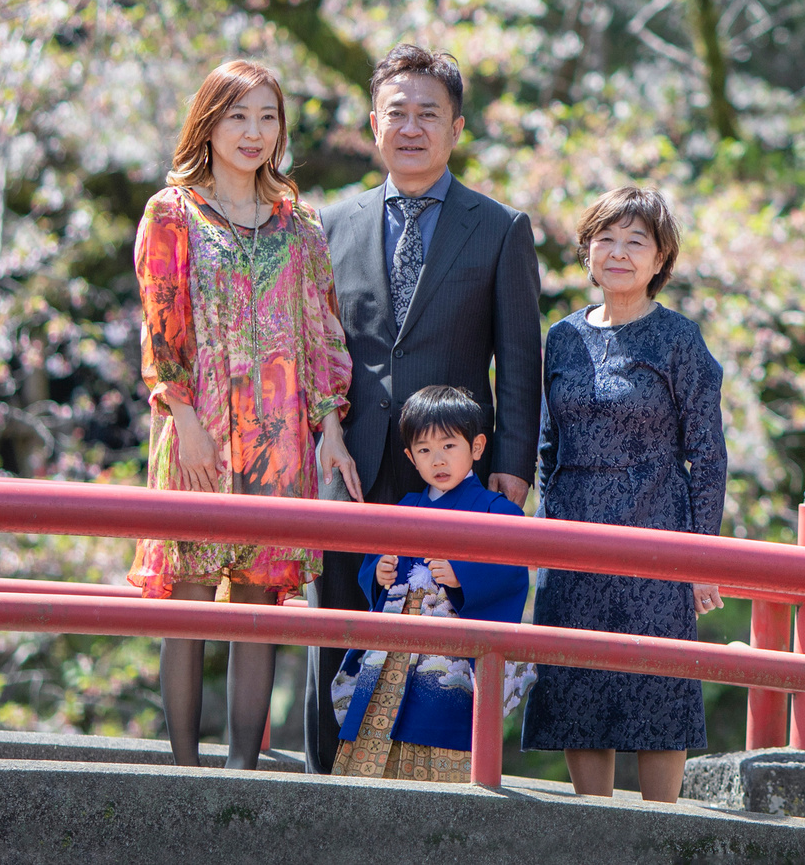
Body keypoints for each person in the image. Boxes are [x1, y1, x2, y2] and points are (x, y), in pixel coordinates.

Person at [306, 44, 545, 774]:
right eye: (397, 113)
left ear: (457, 127)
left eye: (428, 114)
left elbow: (521, 355)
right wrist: (327, 433)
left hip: (450, 472)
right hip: (351, 462)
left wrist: (509, 465)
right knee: (341, 622)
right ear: (373, 123)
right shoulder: (329, 223)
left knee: (445, 635)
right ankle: (325, 781)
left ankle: (433, 796)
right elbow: (317, 345)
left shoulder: (499, 226)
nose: (411, 128)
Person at [132, 58, 357, 770]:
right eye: (238, 116)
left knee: (259, 600)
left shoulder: (301, 226)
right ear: (209, 121)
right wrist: (184, 417)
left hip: (281, 439)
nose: (254, 132)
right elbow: (161, 324)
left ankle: (242, 771)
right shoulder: (172, 212)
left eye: (268, 117)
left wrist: (333, 430)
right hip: (198, 428)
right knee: (191, 594)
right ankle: (182, 767)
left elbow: (322, 335)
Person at [521, 186, 727, 802]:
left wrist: (703, 557)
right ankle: (594, 827)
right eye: (605, 238)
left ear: (660, 259)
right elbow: (546, 446)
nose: (618, 252)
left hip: (657, 533)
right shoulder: (561, 338)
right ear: (586, 251)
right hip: (574, 536)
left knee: (657, 687)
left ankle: (662, 832)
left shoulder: (678, 339)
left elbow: (709, 454)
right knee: (580, 685)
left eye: (636, 241)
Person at [330, 385, 532, 782]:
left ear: (476, 447)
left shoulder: (497, 511)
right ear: (410, 458)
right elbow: (373, 566)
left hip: (448, 652)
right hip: (396, 644)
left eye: (448, 446)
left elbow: (510, 573)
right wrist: (379, 573)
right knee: (375, 724)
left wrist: (464, 576)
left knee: (440, 722)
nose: (437, 460)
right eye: (424, 450)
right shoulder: (407, 507)